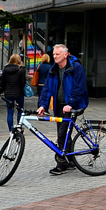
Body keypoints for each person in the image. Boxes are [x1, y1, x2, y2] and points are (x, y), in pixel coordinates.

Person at [37, 44, 89, 175]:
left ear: (65, 55)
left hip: (72, 106)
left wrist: (71, 104)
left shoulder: (76, 68)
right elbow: (47, 89)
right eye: (54, 54)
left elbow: (80, 88)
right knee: (65, 134)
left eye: (57, 54)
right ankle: (70, 161)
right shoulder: (53, 69)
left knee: (62, 134)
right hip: (59, 106)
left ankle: (61, 164)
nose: (54, 56)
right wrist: (43, 105)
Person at [0, 54, 27, 132]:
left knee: (10, 112)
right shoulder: (21, 69)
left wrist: (4, 89)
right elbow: (23, 82)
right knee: (20, 111)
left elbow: (2, 81)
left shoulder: (5, 69)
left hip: (8, 93)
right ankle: (19, 128)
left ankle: (11, 130)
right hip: (19, 93)